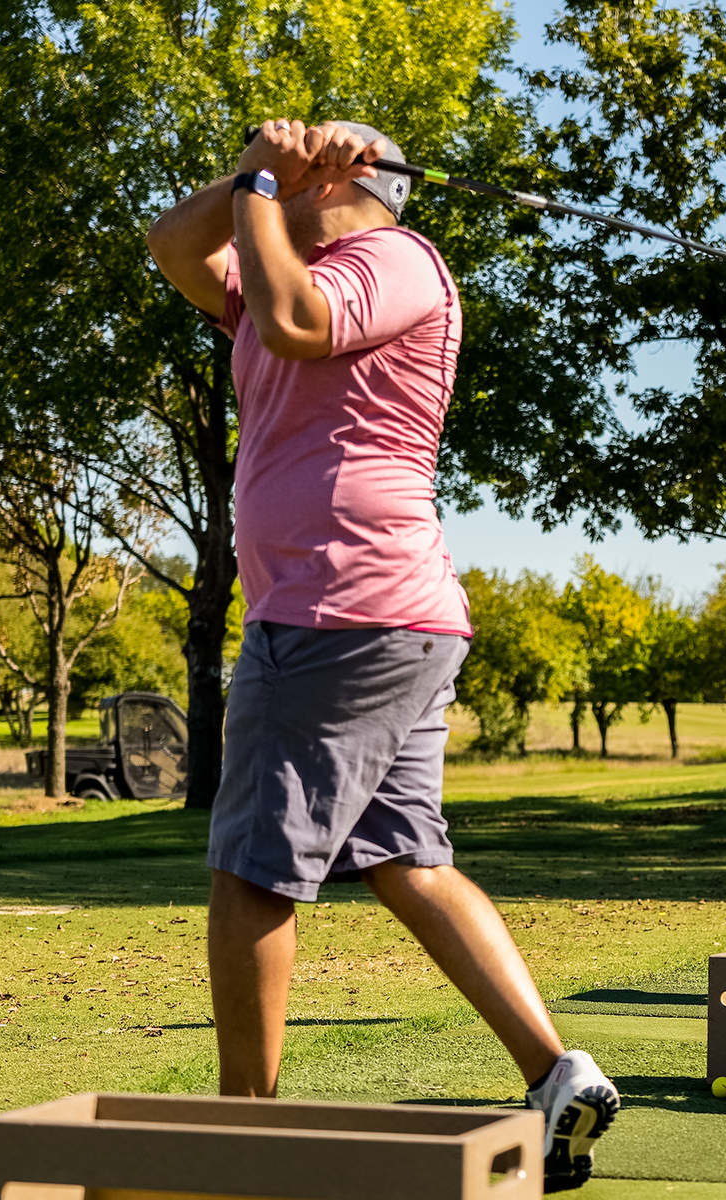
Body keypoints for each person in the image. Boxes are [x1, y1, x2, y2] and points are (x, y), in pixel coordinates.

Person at [145, 118, 617, 1191]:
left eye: (318, 152)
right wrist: (249, 177)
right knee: (408, 861)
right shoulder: (272, 255)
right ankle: (558, 1076)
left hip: (337, 613)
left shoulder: (394, 261)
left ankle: (242, 1138)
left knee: (251, 869)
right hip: (376, 617)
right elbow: (172, 248)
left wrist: (266, 185)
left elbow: (299, 323)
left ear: (350, 179)